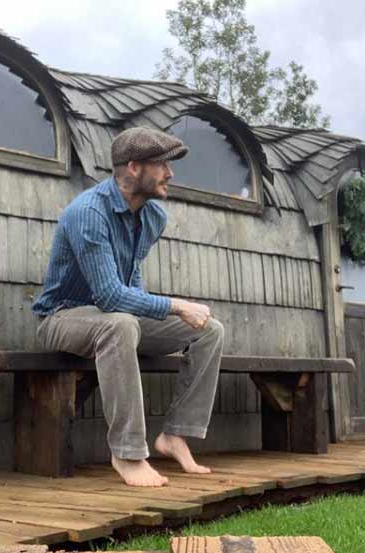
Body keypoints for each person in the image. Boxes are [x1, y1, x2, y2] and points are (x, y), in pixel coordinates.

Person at [32, 127, 224, 487]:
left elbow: (130, 279)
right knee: (120, 324)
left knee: (209, 331)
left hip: (115, 317)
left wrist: (162, 312)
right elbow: (108, 296)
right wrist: (176, 304)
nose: (171, 173)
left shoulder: (152, 217)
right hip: (62, 317)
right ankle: (128, 453)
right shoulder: (88, 213)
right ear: (134, 168)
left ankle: (175, 435)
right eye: (163, 164)